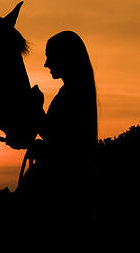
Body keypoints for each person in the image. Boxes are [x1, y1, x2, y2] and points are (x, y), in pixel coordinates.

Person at [19, 31, 98, 222]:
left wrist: (36, 108)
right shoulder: (78, 92)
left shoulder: (72, 95)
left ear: (65, 58)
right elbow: (61, 138)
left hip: (61, 189)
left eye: (50, 57)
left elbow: (61, 141)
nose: (46, 64)